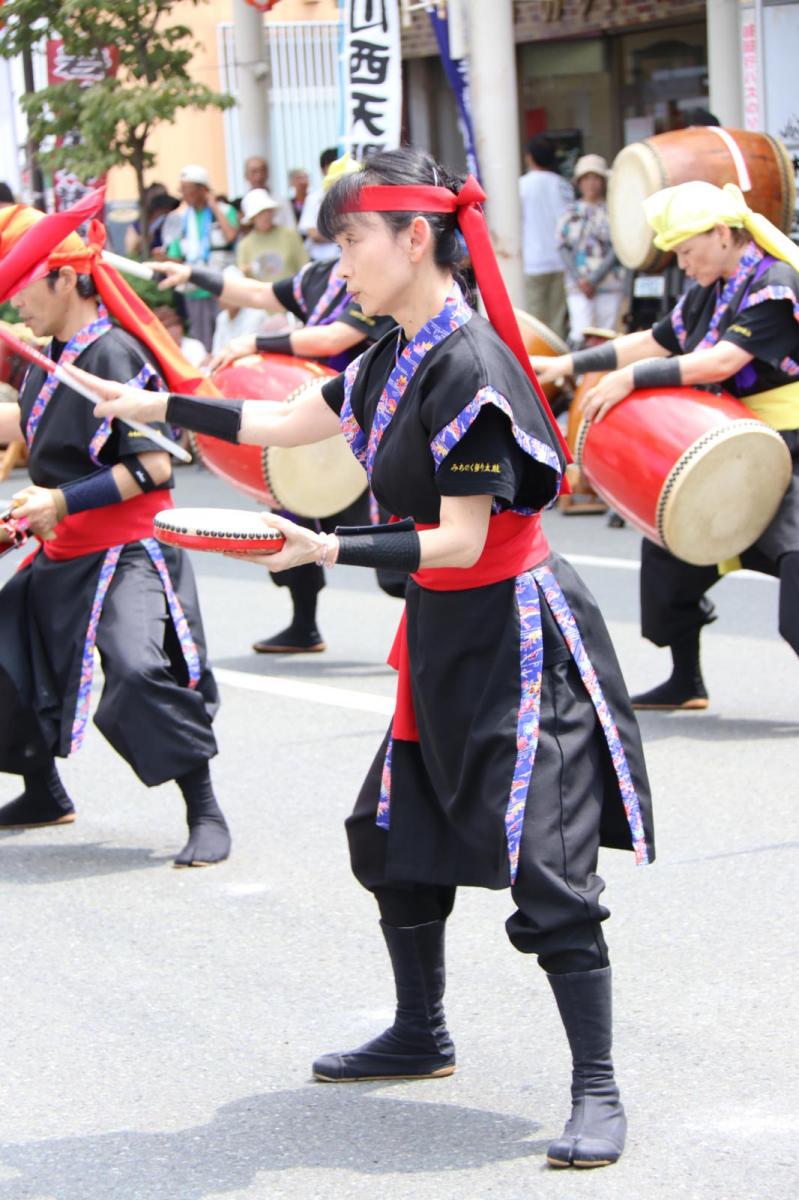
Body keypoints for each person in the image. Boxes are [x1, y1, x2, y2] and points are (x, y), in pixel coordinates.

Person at [79, 148, 655, 1170]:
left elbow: (466, 541)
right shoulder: (391, 353)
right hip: (439, 630)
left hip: (518, 637)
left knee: (544, 866)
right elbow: (283, 420)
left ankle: (597, 1089)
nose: (338, 264)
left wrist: (327, 547)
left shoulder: (468, 361)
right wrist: (154, 406)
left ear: (413, 238)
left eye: (349, 240)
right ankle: (420, 1032)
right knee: (393, 829)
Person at [0, 196, 230, 867]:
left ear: (67, 278)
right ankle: (42, 790)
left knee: (136, 669)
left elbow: (152, 468)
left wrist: (59, 502)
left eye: (21, 290)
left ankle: (205, 808)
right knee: (5, 653)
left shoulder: (116, 353)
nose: (16, 307)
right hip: (64, 546)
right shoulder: (56, 354)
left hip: (127, 550)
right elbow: (32, 422)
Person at [531, 181, 799, 710]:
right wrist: (569, 363)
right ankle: (686, 680)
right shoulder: (711, 287)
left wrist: (636, 380)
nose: (681, 260)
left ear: (723, 234)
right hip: (726, 443)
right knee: (670, 547)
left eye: (685, 248)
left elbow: (723, 361)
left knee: (795, 563)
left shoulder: (774, 281)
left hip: (788, 447)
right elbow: (655, 340)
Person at [154, 198, 399, 655]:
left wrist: (254, 340)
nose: (343, 250)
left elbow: (334, 338)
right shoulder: (319, 276)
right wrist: (192, 275)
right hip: (310, 421)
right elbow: (258, 294)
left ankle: (453, 624)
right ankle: (304, 626)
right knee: (289, 528)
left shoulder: (380, 276)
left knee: (390, 564)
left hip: (365, 428)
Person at [166, 165, 239, 351]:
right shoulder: (181, 218)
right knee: (202, 339)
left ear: (202, 189)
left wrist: (214, 207)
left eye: (187, 190)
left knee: (227, 333)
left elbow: (231, 235)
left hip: (221, 286)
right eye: (182, 190)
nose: (184, 195)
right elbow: (174, 254)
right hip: (194, 287)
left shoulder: (225, 210)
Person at [557, 155, 625, 347]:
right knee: (580, 332)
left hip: (609, 282)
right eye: (586, 178)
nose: (591, 183)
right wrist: (580, 279)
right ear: (579, 182)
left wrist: (594, 279)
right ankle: (579, 376)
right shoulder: (570, 212)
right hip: (577, 285)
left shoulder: (613, 211)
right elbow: (563, 247)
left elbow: (618, 247)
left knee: (606, 334)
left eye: (595, 178)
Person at [519, 135, 573, 339]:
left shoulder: (521, 186)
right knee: (558, 322)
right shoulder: (563, 185)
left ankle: (540, 367)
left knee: (534, 324)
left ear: (529, 157)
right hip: (561, 262)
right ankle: (558, 364)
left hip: (533, 263)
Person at [236, 189, 307, 283]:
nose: (266, 216)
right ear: (252, 218)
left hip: (290, 294)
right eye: (260, 213)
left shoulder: (290, 235)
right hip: (260, 296)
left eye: (268, 211)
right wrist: (245, 270)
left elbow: (304, 268)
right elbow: (242, 280)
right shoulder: (244, 245)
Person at [298, 148, 341, 264]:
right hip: (321, 261)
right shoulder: (314, 198)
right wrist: (343, 236)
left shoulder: (353, 195)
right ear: (323, 169)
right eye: (333, 166)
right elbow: (313, 233)